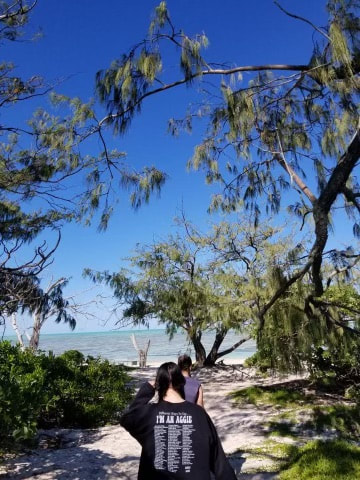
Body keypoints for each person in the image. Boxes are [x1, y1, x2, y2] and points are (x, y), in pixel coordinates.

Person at [120, 362, 237, 480]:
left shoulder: (149, 414)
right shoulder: (199, 414)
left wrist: (148, 387)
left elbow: (128, 417)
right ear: (182, 383)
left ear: (159, 385)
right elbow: (219, 462)